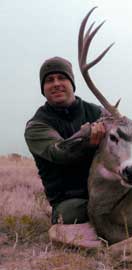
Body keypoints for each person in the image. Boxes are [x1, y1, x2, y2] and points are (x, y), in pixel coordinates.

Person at [24, 56, 107, 225]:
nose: (56, 83)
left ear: (72, 83)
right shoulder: (37, 126)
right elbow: (59, 152)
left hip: (105, 190)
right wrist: (86, 141)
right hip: (71, 200)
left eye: (62, 77)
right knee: (73, 215)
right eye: (49, 80)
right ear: (43, 88)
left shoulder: (98, 113)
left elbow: (123, 135)